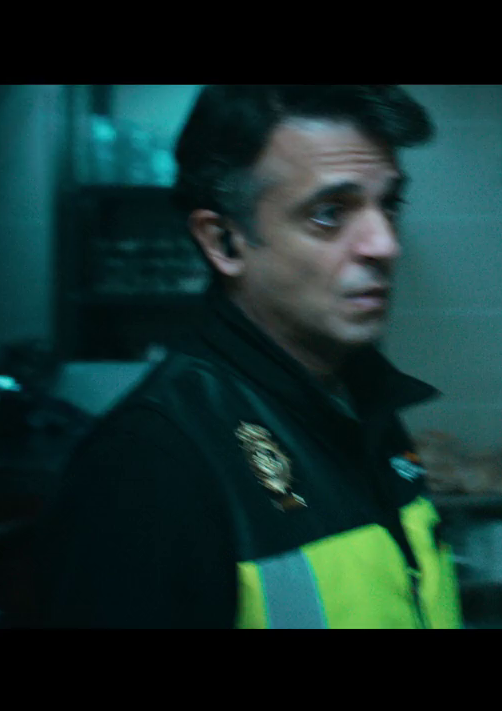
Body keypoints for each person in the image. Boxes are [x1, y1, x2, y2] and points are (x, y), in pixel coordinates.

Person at [30, 86, 462, 628]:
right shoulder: (150, 466)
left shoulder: (361, 405)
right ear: (225, 242)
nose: (384, 244)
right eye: (330, 213)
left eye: (389, 205)